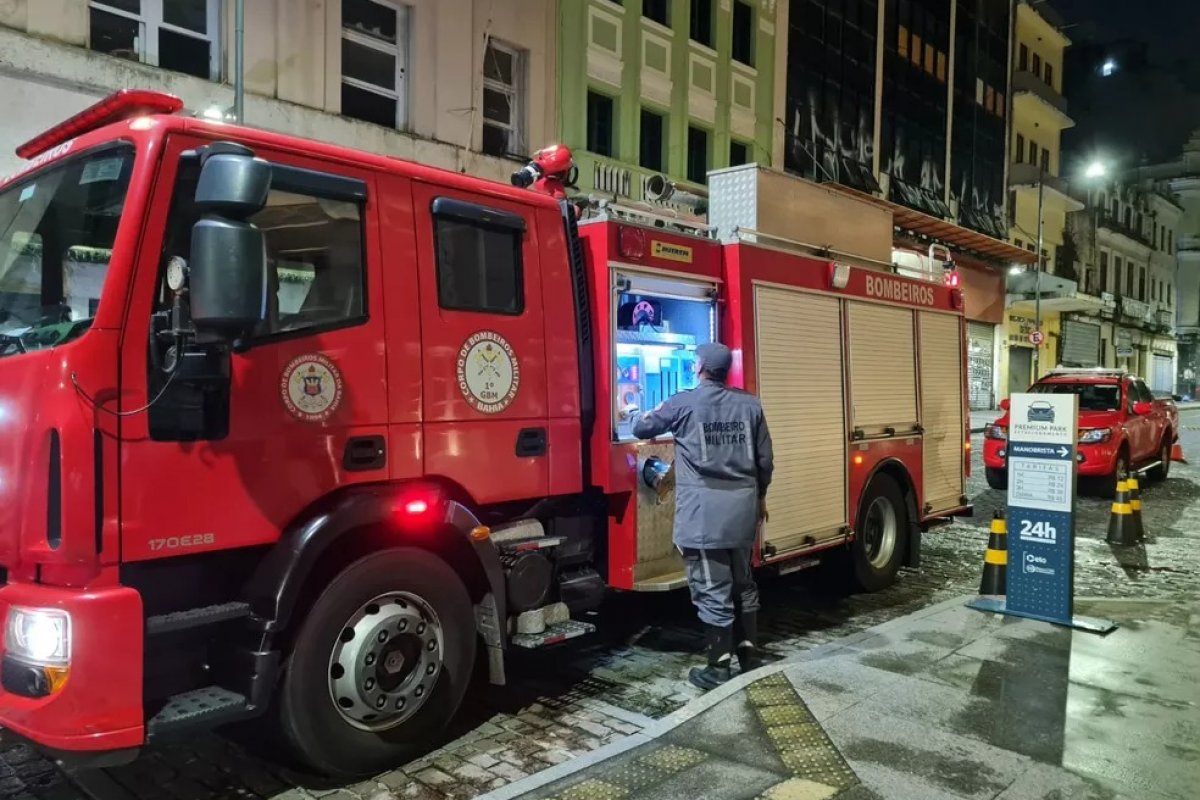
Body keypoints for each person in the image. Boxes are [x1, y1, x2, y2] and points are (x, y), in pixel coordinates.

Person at [623, 342, 774, 690]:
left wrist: (629, 406)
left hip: (704, 516)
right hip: (742, 511)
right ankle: (749, 655)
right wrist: (760, 498)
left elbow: (643, 427)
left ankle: (718, 668)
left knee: (711, 587)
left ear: (700, 367)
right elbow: (765, 462)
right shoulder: (750, 405)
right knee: (743, 582)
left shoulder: (684, 402)